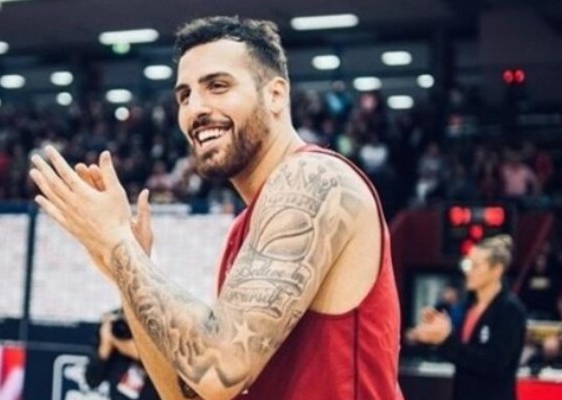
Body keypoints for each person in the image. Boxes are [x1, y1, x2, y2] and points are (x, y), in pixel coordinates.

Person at [29, 16, 403, 400]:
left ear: (276, 95)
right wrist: (127, 269)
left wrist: (117, 243)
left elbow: (220, 370)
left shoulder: (314, 178)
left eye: (218, 86)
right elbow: (187, 393)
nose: (195, 108)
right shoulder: (245, 226)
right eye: (184, 96)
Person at [408, 235, 527, 400]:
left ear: (497, 270)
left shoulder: (510, 310)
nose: (468, 271)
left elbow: (494, 363)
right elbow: (460, 355)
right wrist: (435, 337)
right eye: (467, 264)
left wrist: (446, 340)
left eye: (475, 265)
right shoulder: (467, 306)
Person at [85, 309, 160, 400]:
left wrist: (119, 343)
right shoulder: (115, 325)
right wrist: (105, 346)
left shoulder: (156, 322)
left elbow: (151, 357)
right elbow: (92, 380)